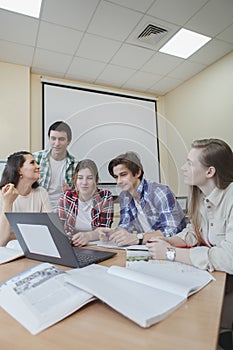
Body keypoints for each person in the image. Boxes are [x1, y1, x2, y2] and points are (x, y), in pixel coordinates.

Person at [146, 139, 233, 344]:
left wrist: (171, 254)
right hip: (222, 279)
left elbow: (229, 258)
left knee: (197, 324)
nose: (184, 168)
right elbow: (193, 232)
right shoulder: (202, 197)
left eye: (190, 163)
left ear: (210, 171)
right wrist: (168, 241)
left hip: (229, 279)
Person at [100, 151, 186, 246]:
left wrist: (138, 238)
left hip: (174, 247)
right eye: (116, 177)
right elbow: (125, 225)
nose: (119, 181)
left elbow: (173, 230)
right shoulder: (124, 196)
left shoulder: (159, 192)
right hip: (149, 247)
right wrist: (113, 234)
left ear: (137, 173)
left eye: (123, 174)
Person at [57, 159, 114, 247]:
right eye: (80, 178)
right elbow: (61, 228)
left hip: (97, 247)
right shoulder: (66, 197)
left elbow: (105, 231)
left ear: (96, 180)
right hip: (73, 246)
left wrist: (88, 236)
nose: (84, 182)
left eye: (90, 178)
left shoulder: (105, 196)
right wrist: (68, 237)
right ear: (75, 180)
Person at [0, 151, 52, 246]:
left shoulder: (41, 193)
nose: (38, 166)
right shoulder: (3, 195)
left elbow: (50, 231)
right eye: (32, 163)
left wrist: (14, 235)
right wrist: (8, 203)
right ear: (19, 170)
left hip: (35, 247)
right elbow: (2, 240)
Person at [33, 121, 77, 210]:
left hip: (63, 211)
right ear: (49, 139)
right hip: (38, 209)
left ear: (69, 141)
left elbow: (79, 195)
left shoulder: (75, 165)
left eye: (61, 139)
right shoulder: (36, 159)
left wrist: (71, 193)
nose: (57, 143)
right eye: (53, 138)